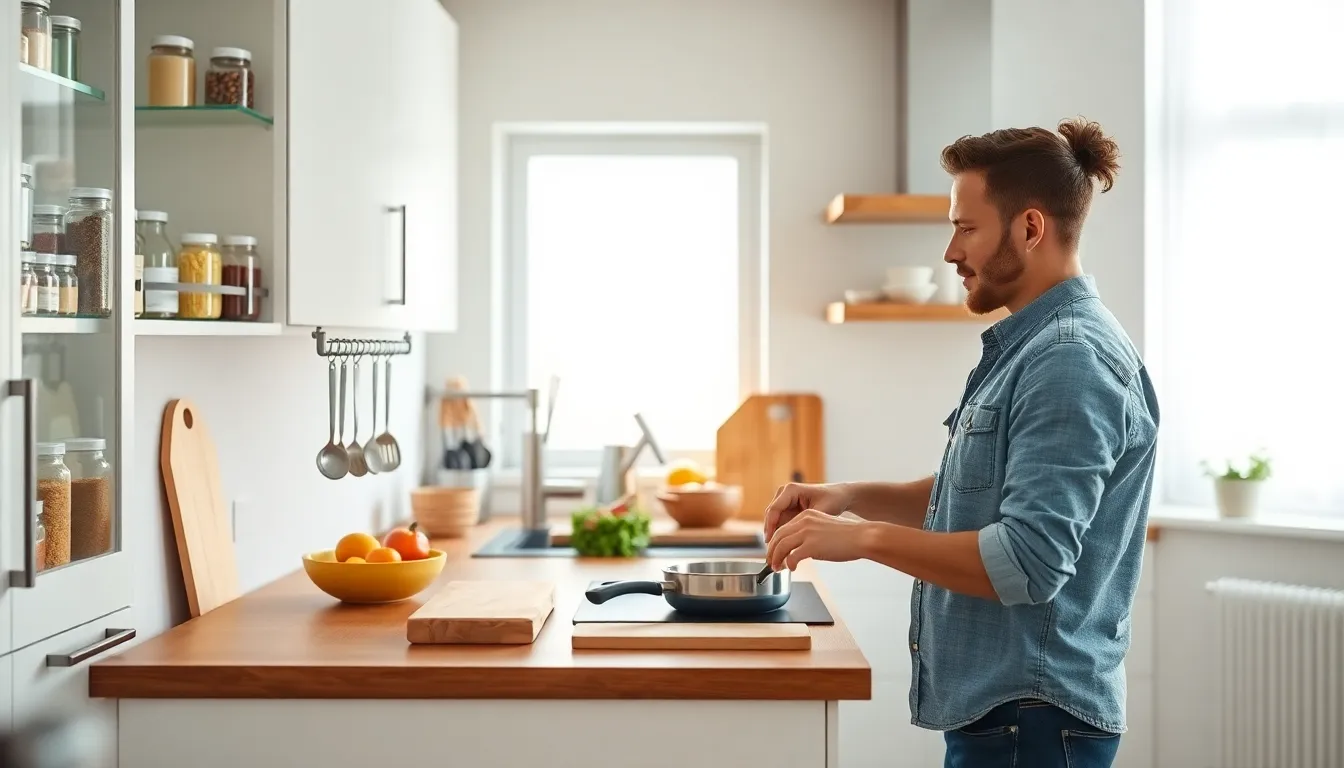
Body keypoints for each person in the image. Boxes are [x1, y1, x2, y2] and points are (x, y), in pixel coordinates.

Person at [763, 117, 1159, 768]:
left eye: (965, 227)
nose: (951, 253)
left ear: (1030, 228)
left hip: (1031, 726)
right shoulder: (1034, 348)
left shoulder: (1068, 361)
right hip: (1011, 720)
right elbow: (976, 499)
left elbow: (1028, 562)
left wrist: (861, 539)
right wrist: (848, 497)